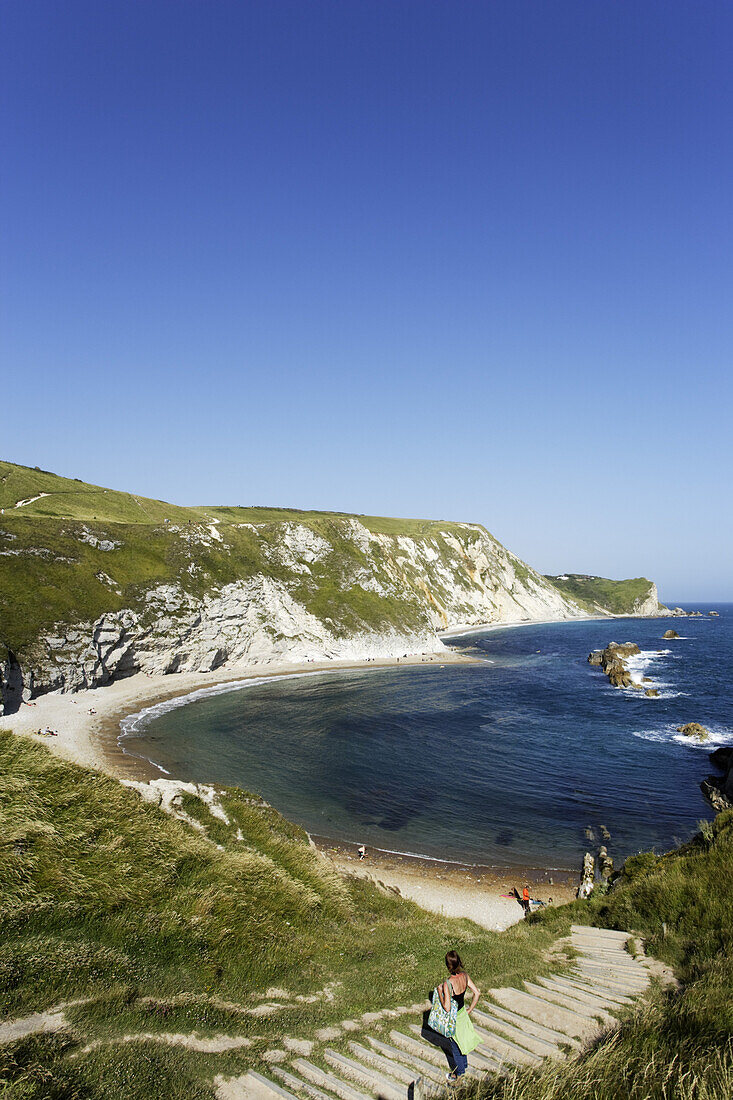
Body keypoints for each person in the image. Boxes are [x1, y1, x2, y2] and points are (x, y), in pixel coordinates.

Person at [437, 950, 480, 1081]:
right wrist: (470, 1009)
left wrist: (440, 993)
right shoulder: (465, 976)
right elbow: (477, 993)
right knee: (462, 1041)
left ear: (448, 966)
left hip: (454, 1018)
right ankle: (464, 1064)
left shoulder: (448, 983)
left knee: (455, 1046)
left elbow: (447, 1007)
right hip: (462, 1013)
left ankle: (459, 1074)